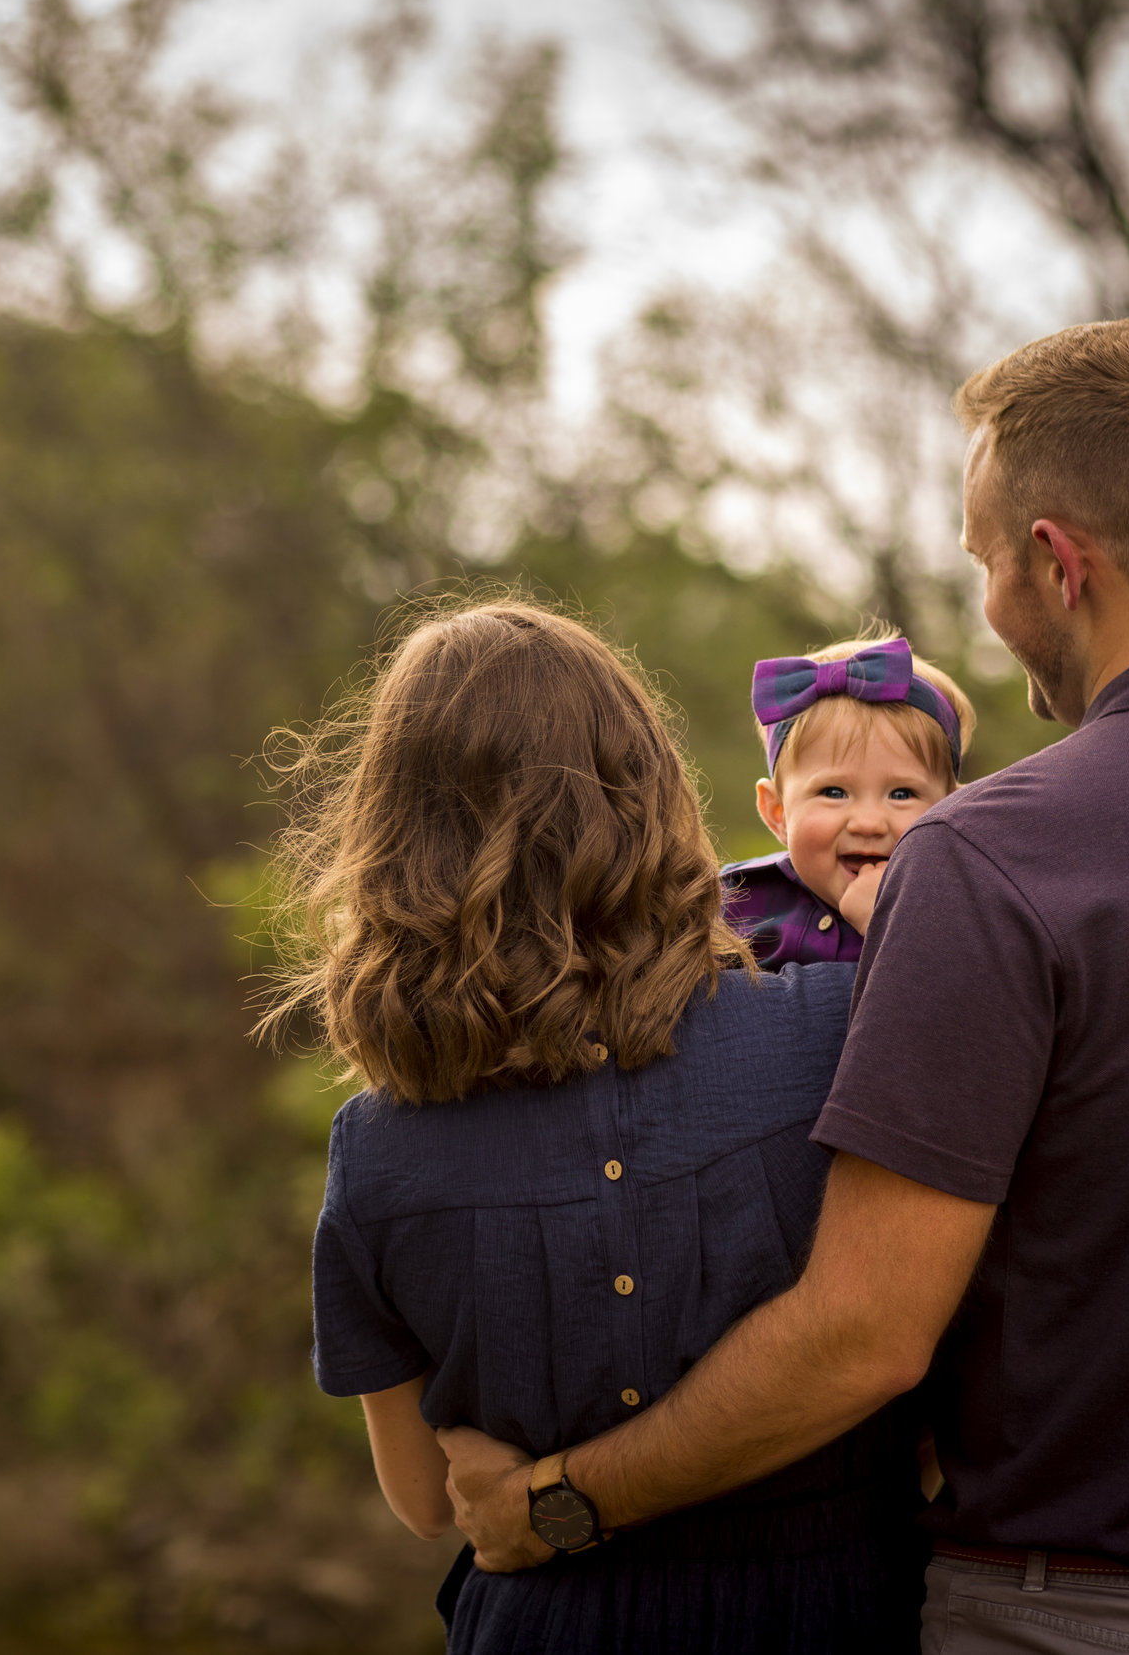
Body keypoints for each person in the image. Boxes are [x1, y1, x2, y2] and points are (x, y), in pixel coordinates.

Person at [440, 321, 1129, 1655]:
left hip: (1078, 1616)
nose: (988, 599)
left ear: (1056, 559)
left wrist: (561, 1502)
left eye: (987, 560)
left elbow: (865, 1333)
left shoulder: (989, 855)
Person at [270, 601, 925, 1652]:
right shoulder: (837, 1032)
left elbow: (426, 1498)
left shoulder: (377, 1149)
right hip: (836, 1606)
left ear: (391, 840)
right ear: (654, 792)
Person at [721, 633, 976, 964]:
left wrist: (892, 926)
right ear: (777, 812)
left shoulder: (965, 916)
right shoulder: (729, 903)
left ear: (953, 811)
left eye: (901, 794)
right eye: (834, 792)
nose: (868, 823)